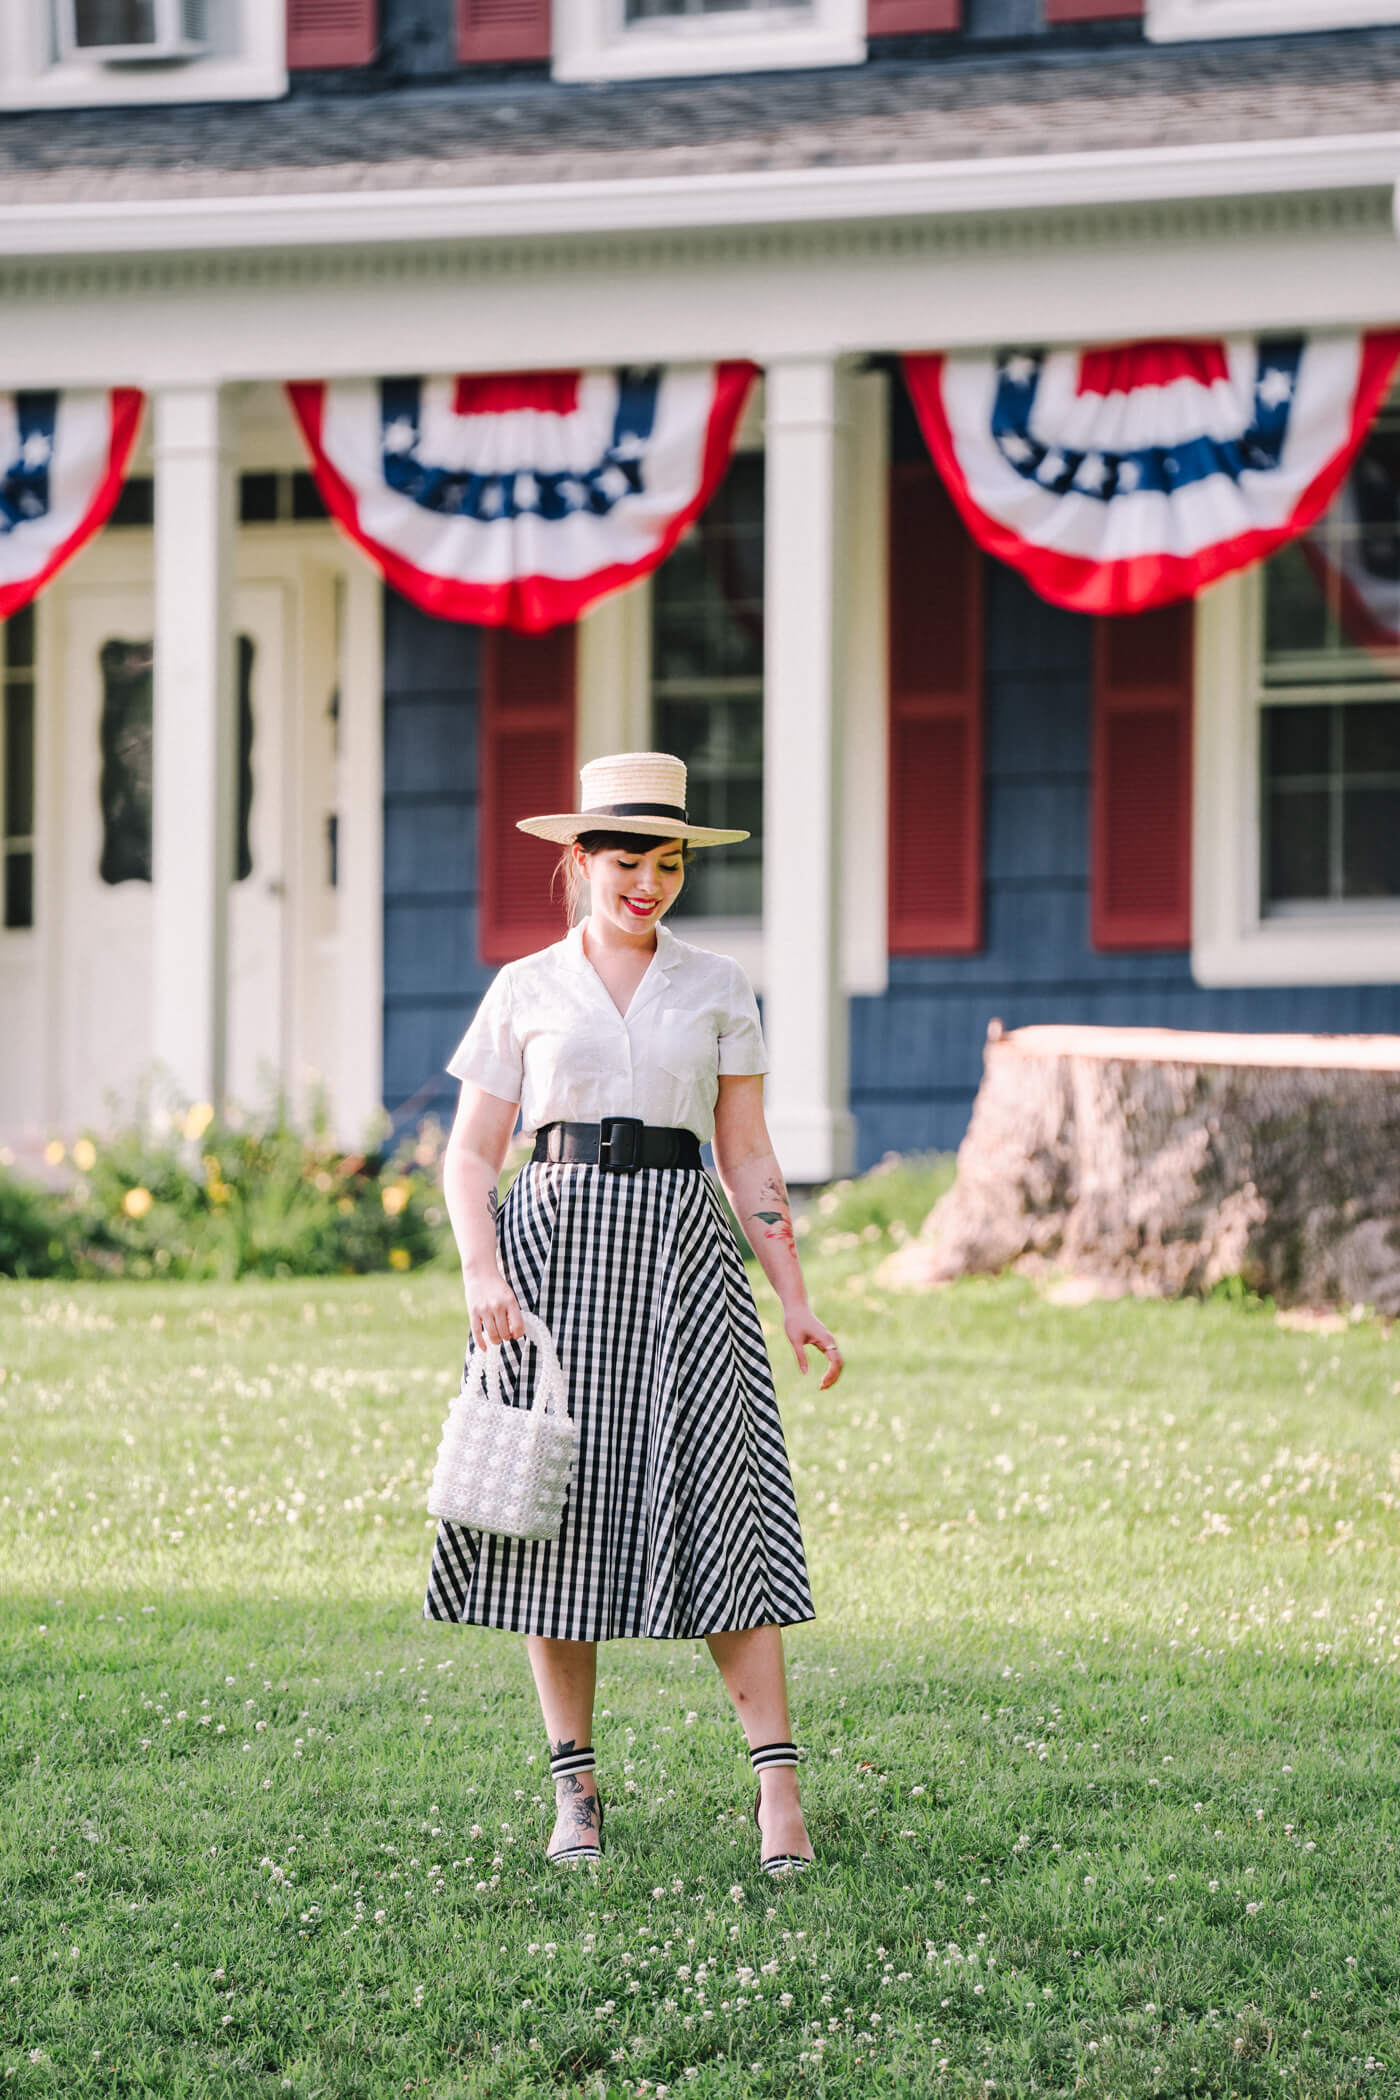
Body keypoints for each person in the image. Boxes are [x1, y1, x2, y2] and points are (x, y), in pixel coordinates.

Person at [423, 751, 842, 1875]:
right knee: (548, 1517)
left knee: (724, 1508)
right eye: (625, 861)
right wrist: (480, 1274)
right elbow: (470, 1156)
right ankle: (576, 1794)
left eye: (666, 864)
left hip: (681, 1253)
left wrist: (792, 1295)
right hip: (549, 1256)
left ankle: (778, 1796)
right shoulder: (523, 987)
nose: (646, 884)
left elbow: (744, 1149)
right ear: (579, 861)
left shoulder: (715, 986)